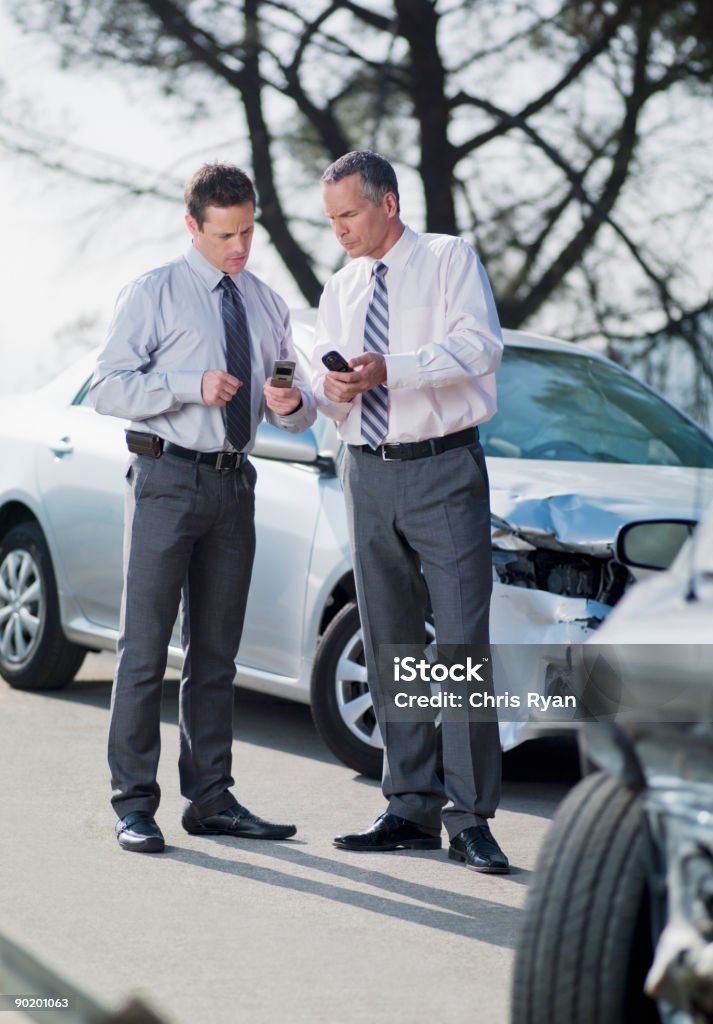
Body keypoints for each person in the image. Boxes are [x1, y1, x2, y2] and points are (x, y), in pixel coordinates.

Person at [91, 162, 316, 853]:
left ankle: (210, 799)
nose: (239, 248)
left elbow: (293, 397)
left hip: (233, 484)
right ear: (193, 226)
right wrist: (190, 384)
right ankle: (134, 805)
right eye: (225, 235)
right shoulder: (155, 291)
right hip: (165, 478)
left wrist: (291, 402)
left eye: (247, 232)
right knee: (143, 646)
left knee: (217, 653)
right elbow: (107, 388)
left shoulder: (267, 302)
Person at [311, 151, 509, 874]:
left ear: (388, 204)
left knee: (459, 646)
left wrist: (389, 368)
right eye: (331, 219)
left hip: (443, 469)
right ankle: (408, 807)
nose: (340, 231)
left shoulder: (450, 259)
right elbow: (329, 395)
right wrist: (322, 390)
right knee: (390, 638)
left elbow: (479, 346)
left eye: (350, 215)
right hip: (364, 471)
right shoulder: (340, 286)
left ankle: (470, 817)